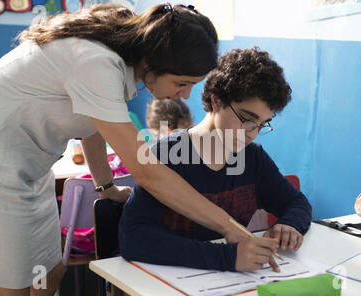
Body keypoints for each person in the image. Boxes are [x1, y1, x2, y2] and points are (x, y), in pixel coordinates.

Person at [0, 4, 249, 296]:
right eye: (182, 83)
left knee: (48, 274)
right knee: (9, 288)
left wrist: (106, 186)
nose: (186, 95)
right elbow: (147, 171)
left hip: (28, 169)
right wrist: (228, 226)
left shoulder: (118, 56)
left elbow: (92, 125)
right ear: (152, 60)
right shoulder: (97, 62)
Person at [119, 47, 312, 272]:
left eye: (261, 124)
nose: (252, 133)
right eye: (246, 119)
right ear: (217, 101)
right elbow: (133, 239)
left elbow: (297, 203)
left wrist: (288, 225)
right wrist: (228, 258)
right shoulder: (167, 155)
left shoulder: (252, 157)